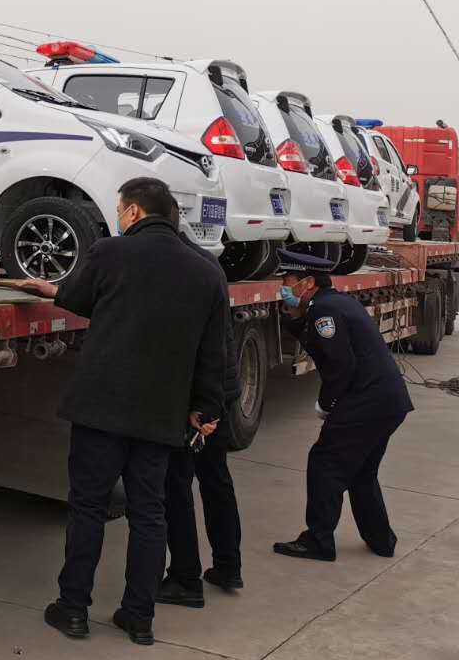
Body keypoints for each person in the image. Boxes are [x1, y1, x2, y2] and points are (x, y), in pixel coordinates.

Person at [19, 177, 227, 646]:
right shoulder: (206, 271)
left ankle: (73, 608)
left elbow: (77, 298)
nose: (117, 217)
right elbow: (214, 350)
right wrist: (205, 406)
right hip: (162, 414)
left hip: (102, 409)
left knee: (88, 507)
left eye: (119, 209)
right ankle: (139, 617)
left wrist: (48, 289)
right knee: (149, 513)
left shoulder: (111, 252)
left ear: (133, 212)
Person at [272, 248, 413, 562]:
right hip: (388, 401)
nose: (283, 287)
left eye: (288, 280)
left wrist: (327, 404)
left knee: (325, 463)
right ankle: (381, 540)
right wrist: (295, 316)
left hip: (366, 401)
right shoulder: (336, 303)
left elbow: (339, 366)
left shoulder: (325, 312)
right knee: (361, 471)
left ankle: (318, 541)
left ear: (308, 283)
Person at [159, 231, 244, 608]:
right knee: (215, 479)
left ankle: (185, 578)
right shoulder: (206, 262)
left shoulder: (178, 268)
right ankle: (228, 565)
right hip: (219, 391)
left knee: (176, 486)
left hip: (197, 398)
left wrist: (199, 407)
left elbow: (190, 344)